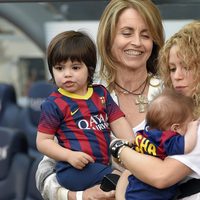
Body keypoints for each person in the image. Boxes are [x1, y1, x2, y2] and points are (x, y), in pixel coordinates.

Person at [35, 0, 164, 199]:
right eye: (127, 33)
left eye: (146, 35)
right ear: (108, 38)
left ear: (153, 42)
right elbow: (44, 174)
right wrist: (79, 196)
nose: (137, 42)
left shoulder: (171, 93)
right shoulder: (86, 92)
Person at [112, 20, 200, 200]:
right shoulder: (177, 112)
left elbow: (160, 176)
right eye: (172, 68)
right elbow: (131, 172)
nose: (177, 76)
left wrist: (118, 148)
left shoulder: (194, 125)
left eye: (187, 67)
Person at [36, 30, 134, 191]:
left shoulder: (100, 93)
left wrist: (133, 147)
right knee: (125, 181)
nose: (67, 74)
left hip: (101, 166)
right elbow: (43, 142)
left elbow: (118, 122)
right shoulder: (53, 103)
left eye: (75, 67)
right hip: (74, 170)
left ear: (89, 68)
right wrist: (69, 156)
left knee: (131, 177)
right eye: (59, 68)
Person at [111, 88, 199, 200]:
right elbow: (187, 145)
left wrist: (120, 149)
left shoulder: (147, 134)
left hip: (133, 190)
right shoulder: (168, 139)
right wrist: (193, 126)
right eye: (189, 121)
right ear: (175, 128)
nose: (190, 123)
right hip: (153, 195)